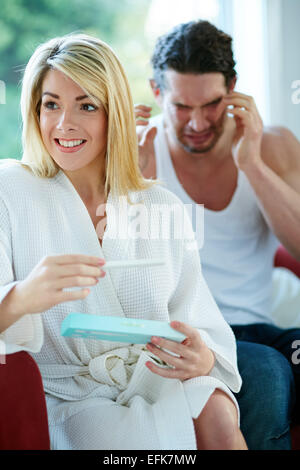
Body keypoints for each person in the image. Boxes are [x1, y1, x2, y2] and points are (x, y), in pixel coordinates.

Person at [0, 33, 247, 450]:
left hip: (153, 378)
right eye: (51, 104)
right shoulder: (10, 190)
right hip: (63, 395)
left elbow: (200, 320)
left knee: (217, 407)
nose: (64, 124)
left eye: (87, 106)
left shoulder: (160, 204)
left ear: (113, 113)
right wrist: (23, 297)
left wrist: (203, 357)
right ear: (34, 111)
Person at [135, 20, 300, 450]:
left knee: (272, 359)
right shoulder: (137, 152)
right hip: (186, 332)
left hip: (257, 329)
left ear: (233, 89)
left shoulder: (274, 145)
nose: (196, 123)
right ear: (157, 92)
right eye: (181, 106)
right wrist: (136, 186)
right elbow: (120, 272)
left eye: (210, 104)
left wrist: (253, 165)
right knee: (266, 374)